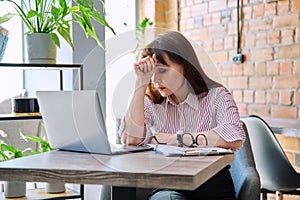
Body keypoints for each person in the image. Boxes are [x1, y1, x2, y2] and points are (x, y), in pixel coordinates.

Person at [119, 31, 245, 200]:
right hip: (168, 185)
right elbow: (130, 139)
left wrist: (177, 139)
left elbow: (234, 135)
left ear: (185, 66)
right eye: (152, 73)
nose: (155, 79)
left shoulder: (217, 96)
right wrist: (141, 82)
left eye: (162, 71)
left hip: (212, 185)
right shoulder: (152, 101)